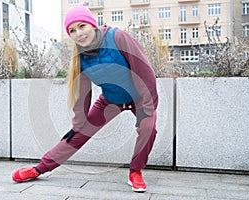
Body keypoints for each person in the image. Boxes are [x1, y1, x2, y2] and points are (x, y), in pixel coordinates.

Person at [12, 4, 158, 193]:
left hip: (139, 97)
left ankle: (135, 171)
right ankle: (40, 168)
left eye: (82, 26)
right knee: (77, 134)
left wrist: (148, 108)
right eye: (72, 30)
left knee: (148, 128)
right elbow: (82, 94)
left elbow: (144, 71)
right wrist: (79, 123)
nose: (79, 33)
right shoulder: (80, 58)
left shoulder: (118, 38)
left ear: (92, 24)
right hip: (110, 101)